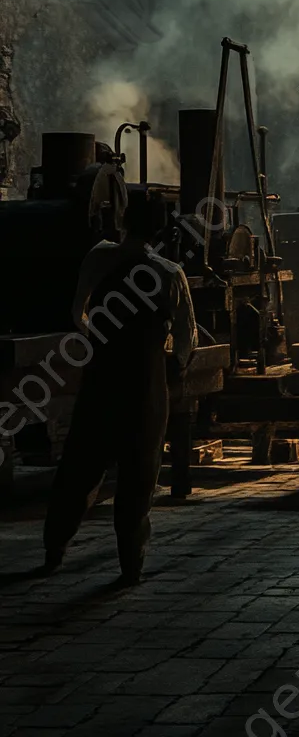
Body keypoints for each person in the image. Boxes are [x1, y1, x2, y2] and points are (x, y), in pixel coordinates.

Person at [42, 198, 197, 586]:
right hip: (145, 385)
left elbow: (77, 311)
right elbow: (185, 338)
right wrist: (173, 366)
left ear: (123, 222)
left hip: (102, 379)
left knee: (79, 467)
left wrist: (97, 340)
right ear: (162, 232)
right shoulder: (169, 272)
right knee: (139, 474)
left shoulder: (99, 258)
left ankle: (53, 550)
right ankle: (131, 564)